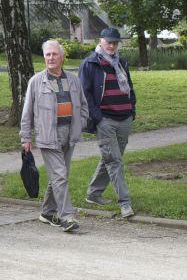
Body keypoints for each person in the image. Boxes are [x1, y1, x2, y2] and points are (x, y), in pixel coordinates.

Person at [20, 40, 89, 232]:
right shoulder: (36, 81)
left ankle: (47, 212)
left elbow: (83, 106)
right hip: (48, 135)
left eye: (54, 54)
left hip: (70, 133)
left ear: (62, 57)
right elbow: (27, 113)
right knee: (60, 176)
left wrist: (80, 123)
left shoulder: (73, 80)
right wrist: (25, 137)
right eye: (47, 55)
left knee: (59, 175)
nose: (50, 58)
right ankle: (67, 217)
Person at [80, 27, 137, 218]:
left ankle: (93, 193)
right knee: (114, 161)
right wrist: (97, 118)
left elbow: (129, 87)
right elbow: (84, 94)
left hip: (124, 118)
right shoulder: (90, 63)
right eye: (108, 42)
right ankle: (125, 203)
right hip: (105, 120)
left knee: (111, 158)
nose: (111, 46)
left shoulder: (121, 62)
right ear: (101, 41)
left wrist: (131, 109)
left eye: (115, 42)